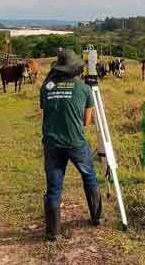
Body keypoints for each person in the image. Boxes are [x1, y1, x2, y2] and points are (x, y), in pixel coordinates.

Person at [40, 49, 102, 241]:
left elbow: (45, 109)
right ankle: (97, 217)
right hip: (76, 142)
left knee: (54, 187)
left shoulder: (46, 87)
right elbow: (86, 122)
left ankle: (53, 232)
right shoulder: (84, 89)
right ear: (75, 68)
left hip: (52, 143)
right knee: (89, 177)